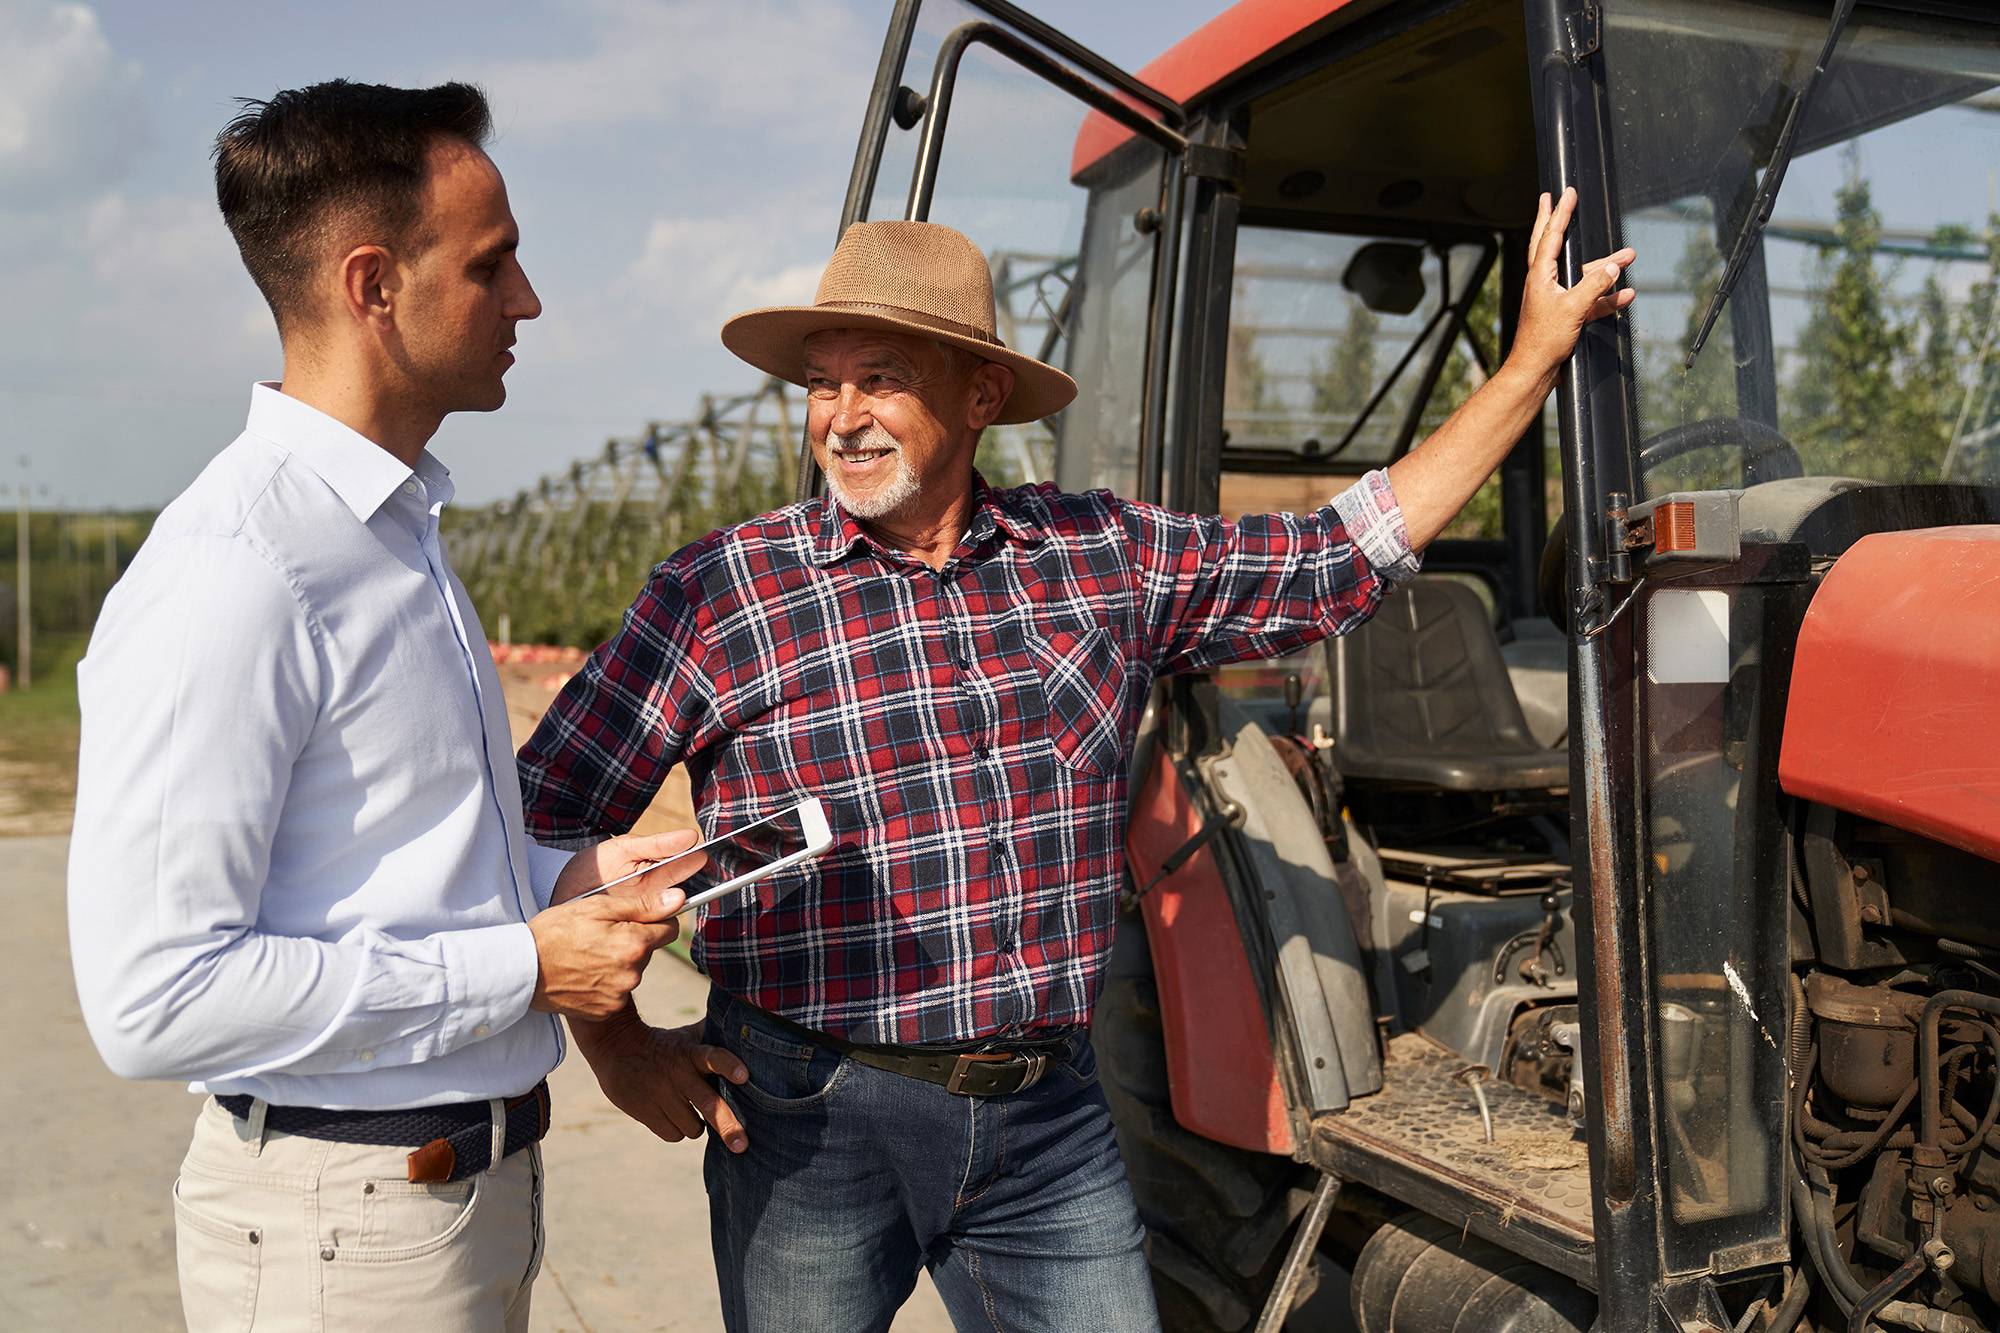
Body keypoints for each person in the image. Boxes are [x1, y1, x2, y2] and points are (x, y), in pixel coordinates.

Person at [518, 201, 1634, 1330]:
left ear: (980, 396)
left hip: (1041, 1122)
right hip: (807, 1118)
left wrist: (1534, 357)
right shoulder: (722, 592)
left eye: (882, 378)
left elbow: (1338, 552)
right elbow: (546, 815)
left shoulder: (1097, 556)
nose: (842, 418)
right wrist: (612, 1045)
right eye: (822, 382)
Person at [68, 80, 705, 1332]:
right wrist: (524, 963)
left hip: (443, 1203)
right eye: (492, 264)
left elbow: (379, 864)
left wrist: (560, 879)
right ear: (373, 286)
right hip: (343, 1232)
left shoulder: (388, 535)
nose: (526, 301)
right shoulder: (240, 570)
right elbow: (155, 995)